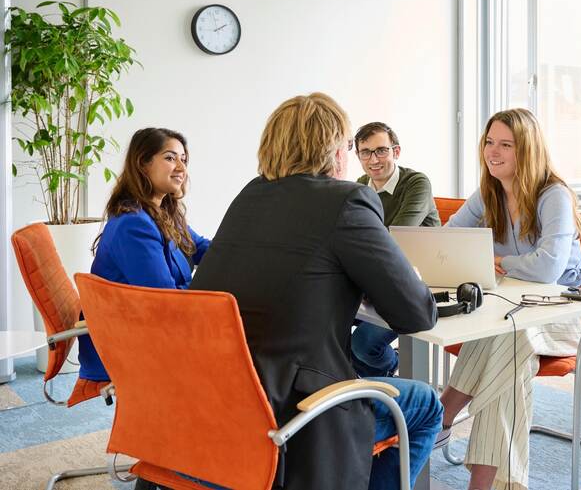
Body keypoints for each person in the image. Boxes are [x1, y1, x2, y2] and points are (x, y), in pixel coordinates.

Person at [189, 93, 443, 490]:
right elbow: (416, 314)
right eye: (347, 147)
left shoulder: (249, 196)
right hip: (293, 411)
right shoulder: (347, 200)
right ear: (334, 151)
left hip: (219, 397)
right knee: (425, 405)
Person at [439, 108, 581, 490]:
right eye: (489, 142)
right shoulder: (488, 192)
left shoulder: (553, 195)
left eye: (505, 145)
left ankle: (444, 412)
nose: (493, 152)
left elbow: (547, 269)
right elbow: (448, 238)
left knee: (511, 337)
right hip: (517, 313)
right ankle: (494, 483)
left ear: (526, 150)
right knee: (509, 341)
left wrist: (496, 261)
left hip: (574, 316)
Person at [79, 127, 210, 383]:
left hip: (150, 329)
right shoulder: (133, 224)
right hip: (129, 340)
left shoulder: (166, 214)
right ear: (143, 163)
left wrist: (242, 250)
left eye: (184, 159)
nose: (181, 168)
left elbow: (203, 248)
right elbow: (163, 300)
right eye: (170, 158)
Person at [351, 121, 440, 378]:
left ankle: (390, 370)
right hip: (377, 281)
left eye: (381, 150)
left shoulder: (416, 183)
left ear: (396, 152)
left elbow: (394, 239)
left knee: (364, 345)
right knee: (329, 330)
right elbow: (352, 238)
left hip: (418, 285)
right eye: (365, 152)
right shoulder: (359, 185)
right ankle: (372, 391)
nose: (373, 159)